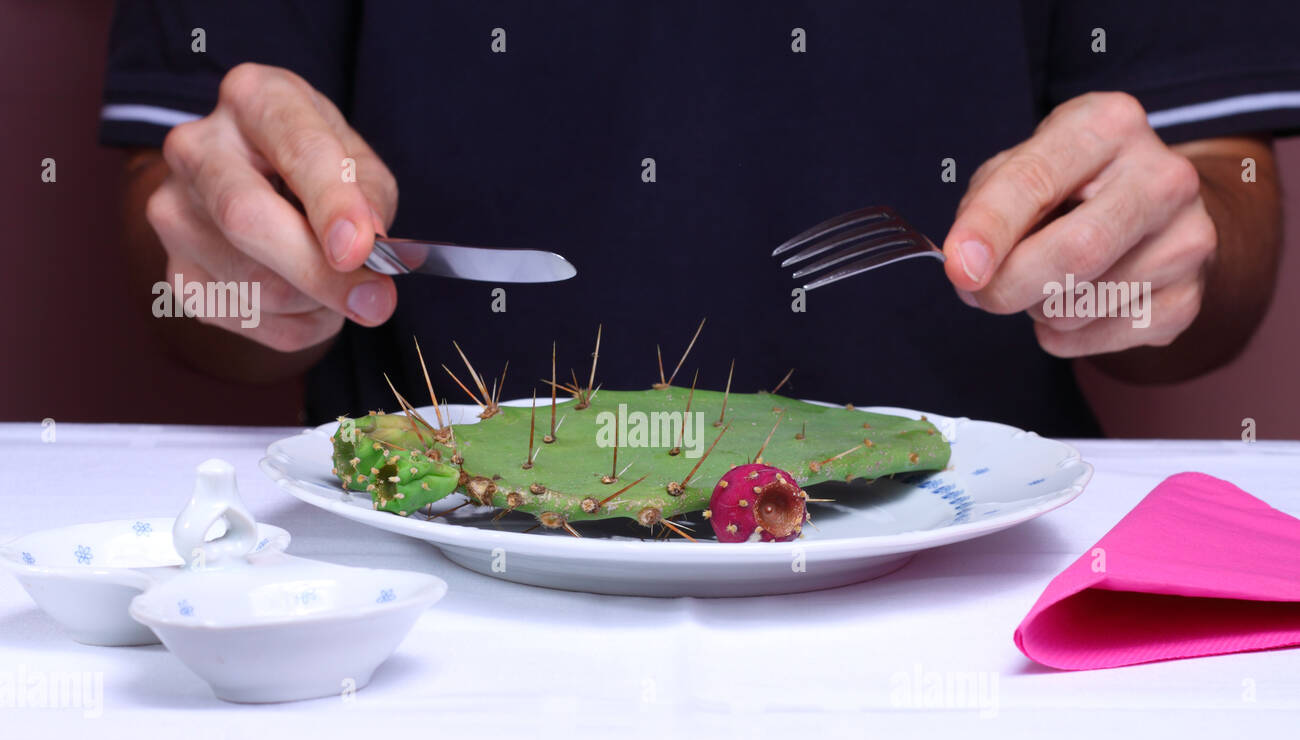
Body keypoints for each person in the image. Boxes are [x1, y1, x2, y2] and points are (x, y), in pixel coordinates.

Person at [101, 1, 1298, 436]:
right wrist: (236, 267)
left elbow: (1224, 205)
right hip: (418, 579)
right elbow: (179, 266)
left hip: (963, 576)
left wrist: (1144, 253)